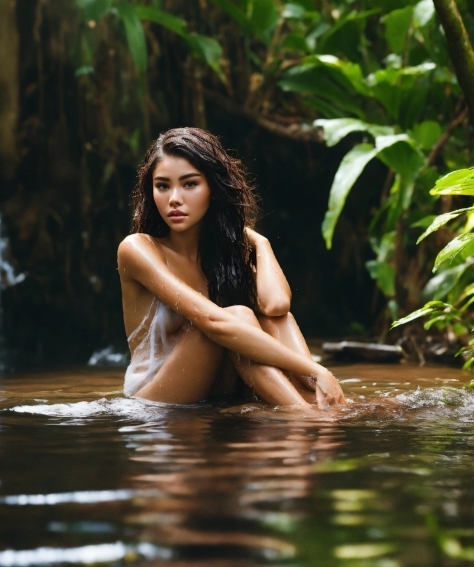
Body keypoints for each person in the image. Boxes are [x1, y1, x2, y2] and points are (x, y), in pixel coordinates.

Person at [117, 127, 345, 410]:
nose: (174, 198)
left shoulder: (223, 255)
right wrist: (317, 370)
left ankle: (319, 404)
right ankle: (305, 415)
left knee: (271, 319)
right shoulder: (137, 249)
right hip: (158, 399)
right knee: (235, 317)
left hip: (216, 390)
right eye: (162, 186)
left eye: (189, 184)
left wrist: (260, 243)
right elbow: (214, 323)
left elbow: (276, 306)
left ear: (213, 189)